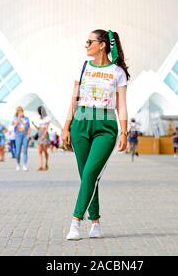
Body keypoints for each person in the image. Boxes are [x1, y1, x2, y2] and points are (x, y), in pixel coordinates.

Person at [62, 29, 128, 240]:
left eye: (89, 41)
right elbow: (74, 99)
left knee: (91, 172)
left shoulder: (118, 72)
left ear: (102, 45)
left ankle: (75, 221)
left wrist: (124, 132)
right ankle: (96, 222)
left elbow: (122, 105)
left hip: (105, 125)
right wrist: (66, 126)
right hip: (80, 123)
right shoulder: (82, 67)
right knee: (87, 176)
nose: (86, 45)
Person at [32, 106, 51, 171]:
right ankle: (40, 165)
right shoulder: (39, 119)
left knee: (45, 150)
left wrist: (44, 135)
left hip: (44, 134)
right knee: (40, 151)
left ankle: (46, 163)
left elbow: (47, 127)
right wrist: (34, 125)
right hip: (39, 133)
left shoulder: (47, 118)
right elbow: (38, 128)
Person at [13, 106, 30, 171]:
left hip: (25, 134)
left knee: (25, 150)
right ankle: (18, 164)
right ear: (17, 112)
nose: (21, 112)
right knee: (18, 151)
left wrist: (28, 134)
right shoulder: (15, 118)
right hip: (18, 135)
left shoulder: (26, 118)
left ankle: (25, 165)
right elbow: (15, 124)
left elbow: (28, 127)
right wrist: (19, 118)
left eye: (22, 111)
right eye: (19, 111)